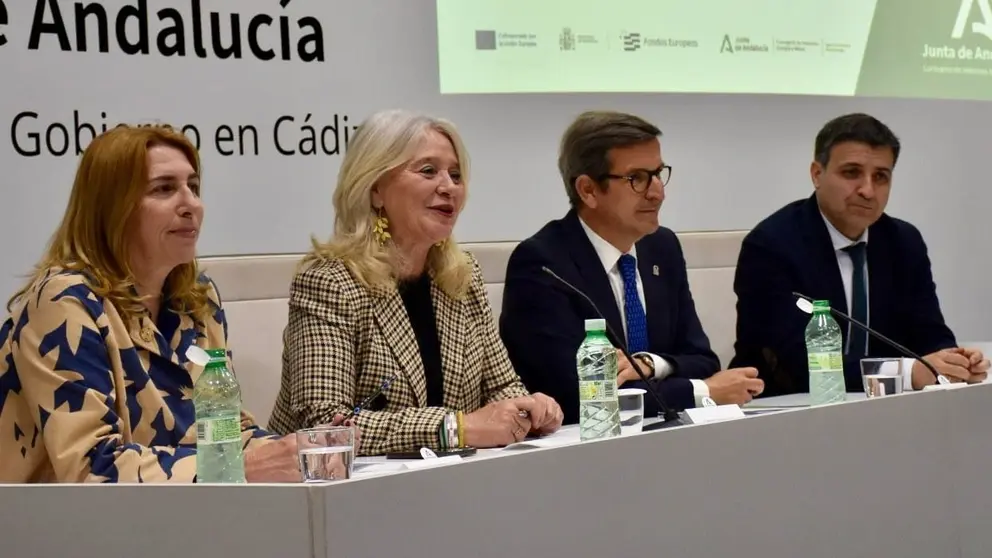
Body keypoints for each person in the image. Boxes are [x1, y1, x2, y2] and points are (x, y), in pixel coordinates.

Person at [0, 125, 353, 483]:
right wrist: (239, 468)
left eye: (194, 187)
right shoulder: (64, 302)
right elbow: (91, 467)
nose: (191, 205)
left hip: (173, 520)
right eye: (164, 189)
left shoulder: (198, 298)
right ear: (111, 208)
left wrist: (295, 450)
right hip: (58, 530)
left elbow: (223, 433)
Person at [267, 109, 563, 455]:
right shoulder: (329, 280)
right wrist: (457, 429)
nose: (448, 186)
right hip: (338, 495)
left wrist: (527, 409)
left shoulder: (462, 276)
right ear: (375, 189)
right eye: (428, 171)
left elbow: (501, 387)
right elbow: (324, 425)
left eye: (455, 174)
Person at [499, 110, 763, 425]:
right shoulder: (543, 265)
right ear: (588, 190)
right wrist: (701, 391)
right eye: (636, 178)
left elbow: (702, 359)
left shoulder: (661, 248)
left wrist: (651, 364)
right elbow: (577, 395)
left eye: (658, 173)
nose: (657, 191)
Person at [730, 113, 989, 396]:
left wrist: (953, 361)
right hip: (786, 408)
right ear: (817, 174)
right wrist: (907, 373)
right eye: (851, 173)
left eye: (881, 177)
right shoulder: (772, 245)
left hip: (886, 407)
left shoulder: (903, 241)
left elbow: (928, 331)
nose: (867, 190)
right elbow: (797, 366)